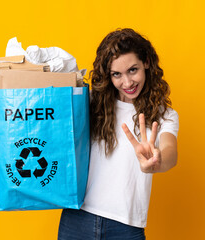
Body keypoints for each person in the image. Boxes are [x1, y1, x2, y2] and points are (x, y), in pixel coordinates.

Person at [58, 28, 179, 240]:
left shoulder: (164, 115)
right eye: (117, 74)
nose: (127, 82)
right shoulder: (92, 103)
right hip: (77, 219)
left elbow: (170, 151)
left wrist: (156, 161)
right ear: (108, 75)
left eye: (133, 70)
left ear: (147, 63)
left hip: (125, 227)